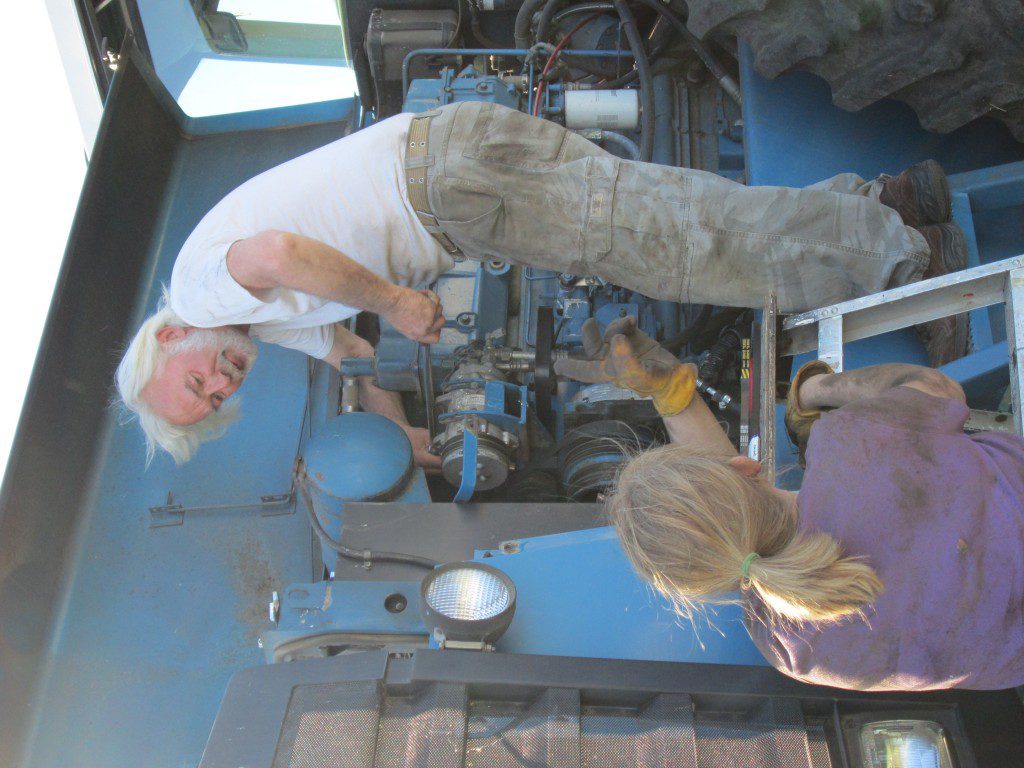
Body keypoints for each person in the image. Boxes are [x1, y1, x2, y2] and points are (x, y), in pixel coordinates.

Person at [116, 100, 967, 465]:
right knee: (679, 218)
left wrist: (395, 301)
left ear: (168, 337)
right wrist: (401, 432)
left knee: (680, 243)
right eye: (218, 396)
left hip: (445, 189)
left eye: (200, 378)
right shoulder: (245, 325)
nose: (223, 380)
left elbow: (276, 254)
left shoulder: (202, 292)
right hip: (448, 183)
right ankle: (885, 205)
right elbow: (345, 353)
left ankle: (914, 260)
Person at [568, 317, 1024, 691]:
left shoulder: (787, 649)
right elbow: (937, 389)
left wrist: (674, 398)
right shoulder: (855, 444)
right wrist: (812, 393)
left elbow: (737, 545)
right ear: (747, 468)